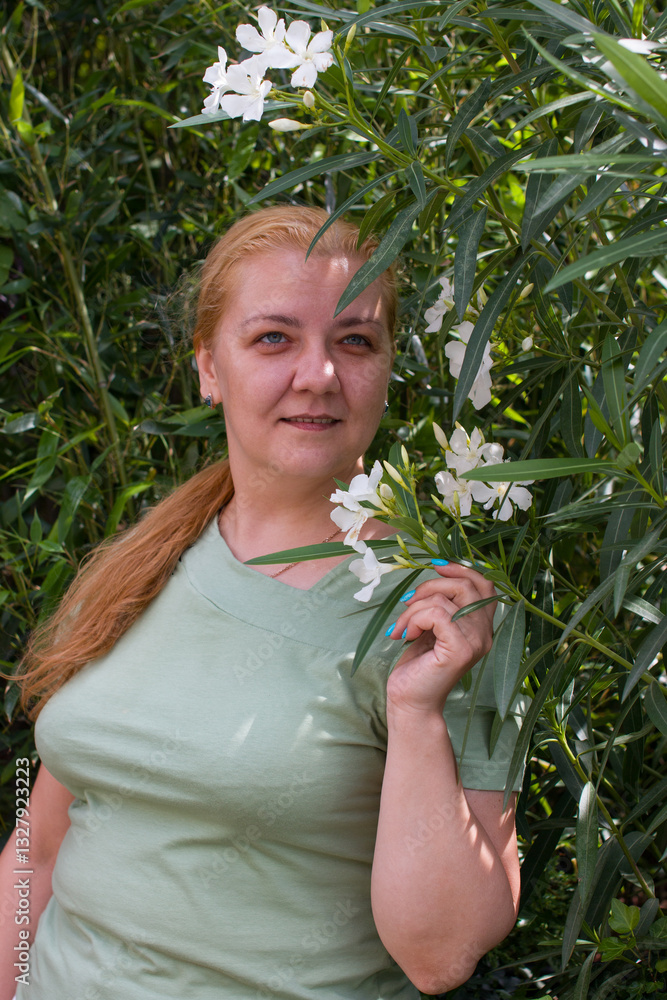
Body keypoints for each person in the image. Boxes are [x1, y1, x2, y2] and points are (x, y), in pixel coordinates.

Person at [0, 205, 524, 1000]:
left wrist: (416, 712)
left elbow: (440, 954)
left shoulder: (438, 614)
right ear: (209, 367)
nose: (317, 373)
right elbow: (37, 852)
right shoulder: (137, 566)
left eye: (354, 341)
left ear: (386, 368)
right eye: (274, 338)